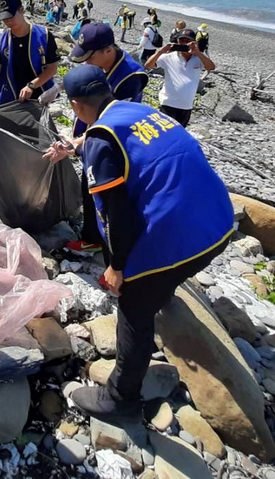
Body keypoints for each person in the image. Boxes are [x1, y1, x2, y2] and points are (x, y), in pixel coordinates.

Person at [46, 66, 235, 423]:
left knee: (132, 305)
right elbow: (122, 150)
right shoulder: (140, 111)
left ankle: (121, 398)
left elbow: (119, 216)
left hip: (180, 238)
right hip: (219, 222)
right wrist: (74, 147)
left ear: (74, 105)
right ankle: (159, 291)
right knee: (153, 284)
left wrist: (117, 268)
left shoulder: (101, 138)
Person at [58, 23, 149, 254]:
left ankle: (105, 245)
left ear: (108, 50)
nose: (87, 63)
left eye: (90, 58)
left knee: (105, 191)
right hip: (94, 132)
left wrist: (77, 144)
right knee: (89, 184)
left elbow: (111, 121)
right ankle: (93, 233)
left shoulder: (130, 77)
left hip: (114, 140)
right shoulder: (102, 65)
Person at [0, 0, 60, 109]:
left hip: (39, 97)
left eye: (11, 17)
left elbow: (52, 69)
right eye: (4, 19)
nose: (8, 22)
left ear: (21, 10)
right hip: (10, 98)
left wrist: (31, 86)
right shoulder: (1, 42)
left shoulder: (43, 36)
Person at [144, 29, 215, 127]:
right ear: (177, 41)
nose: (184, 43)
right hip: (168, 103)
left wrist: (198, 52)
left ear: (194, 42)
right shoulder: (168, 57)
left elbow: (211, 67)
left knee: (179, 134)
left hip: (186, 106)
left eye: (187, 41)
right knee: (165, 133)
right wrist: (160, 52)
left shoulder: (198, 58)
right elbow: (148, 65)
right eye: (181, 40)